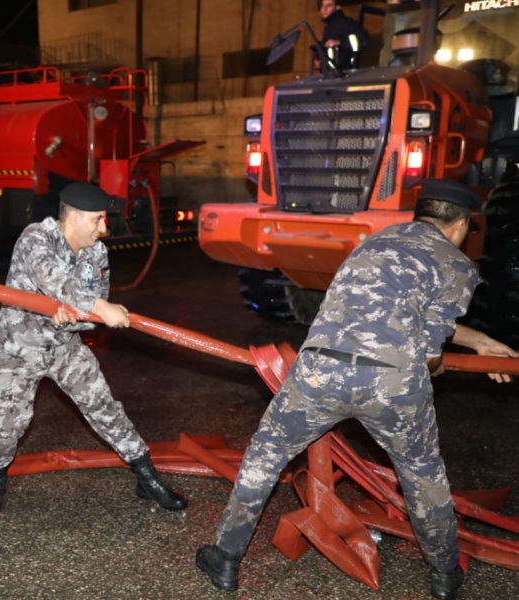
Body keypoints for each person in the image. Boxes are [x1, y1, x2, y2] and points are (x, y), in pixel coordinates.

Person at [195, 179, 518, 600]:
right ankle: (442, 574)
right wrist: (434, 365)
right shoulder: (456, 265)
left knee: (265, 455)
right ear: (461, 224)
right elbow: (428, 354)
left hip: (320, 371)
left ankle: (226, 558)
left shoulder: (373, 243)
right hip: (391, 383)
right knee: (422, 475)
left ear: (419, 213)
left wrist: (480, 342)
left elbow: (383, 307)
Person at [0, 182, 187, 515]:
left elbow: (89, 314)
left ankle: (146, 477)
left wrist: (77, 314)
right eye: (98, 220)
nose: (103, 229)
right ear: (73, 217)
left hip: (64, 346)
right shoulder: (36, 238)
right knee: (11, 420)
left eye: (105, 220)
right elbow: (56, 283)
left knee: (104, 406)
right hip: (22, 346)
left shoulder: (96, 253)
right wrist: (91, 307)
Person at [317, 0, 369, 71]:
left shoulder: (347, 24)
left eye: (328, 6)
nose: (324, 9)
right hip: (333, 74)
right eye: (322, 5)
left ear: (338, 7)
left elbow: (363, 40)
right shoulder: (329, 26)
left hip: (345, 73)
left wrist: (339, 42)